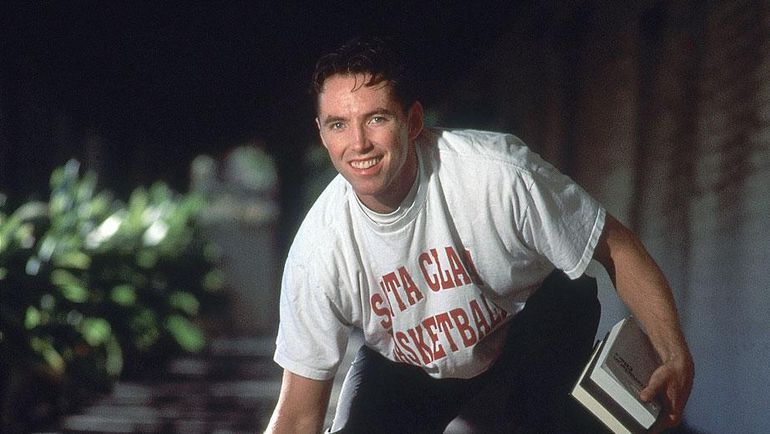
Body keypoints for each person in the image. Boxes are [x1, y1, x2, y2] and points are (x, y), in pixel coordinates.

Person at [265, 36, 694, 434]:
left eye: (376, 119)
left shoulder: (498, 175)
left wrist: (674, 354)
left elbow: (614, 247)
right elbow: (299, 413)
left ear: (412, 121)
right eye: (339, 125)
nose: (359, 143)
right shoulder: (319, 251)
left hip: (531, 325)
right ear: (322, 134)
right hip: (413, 365)